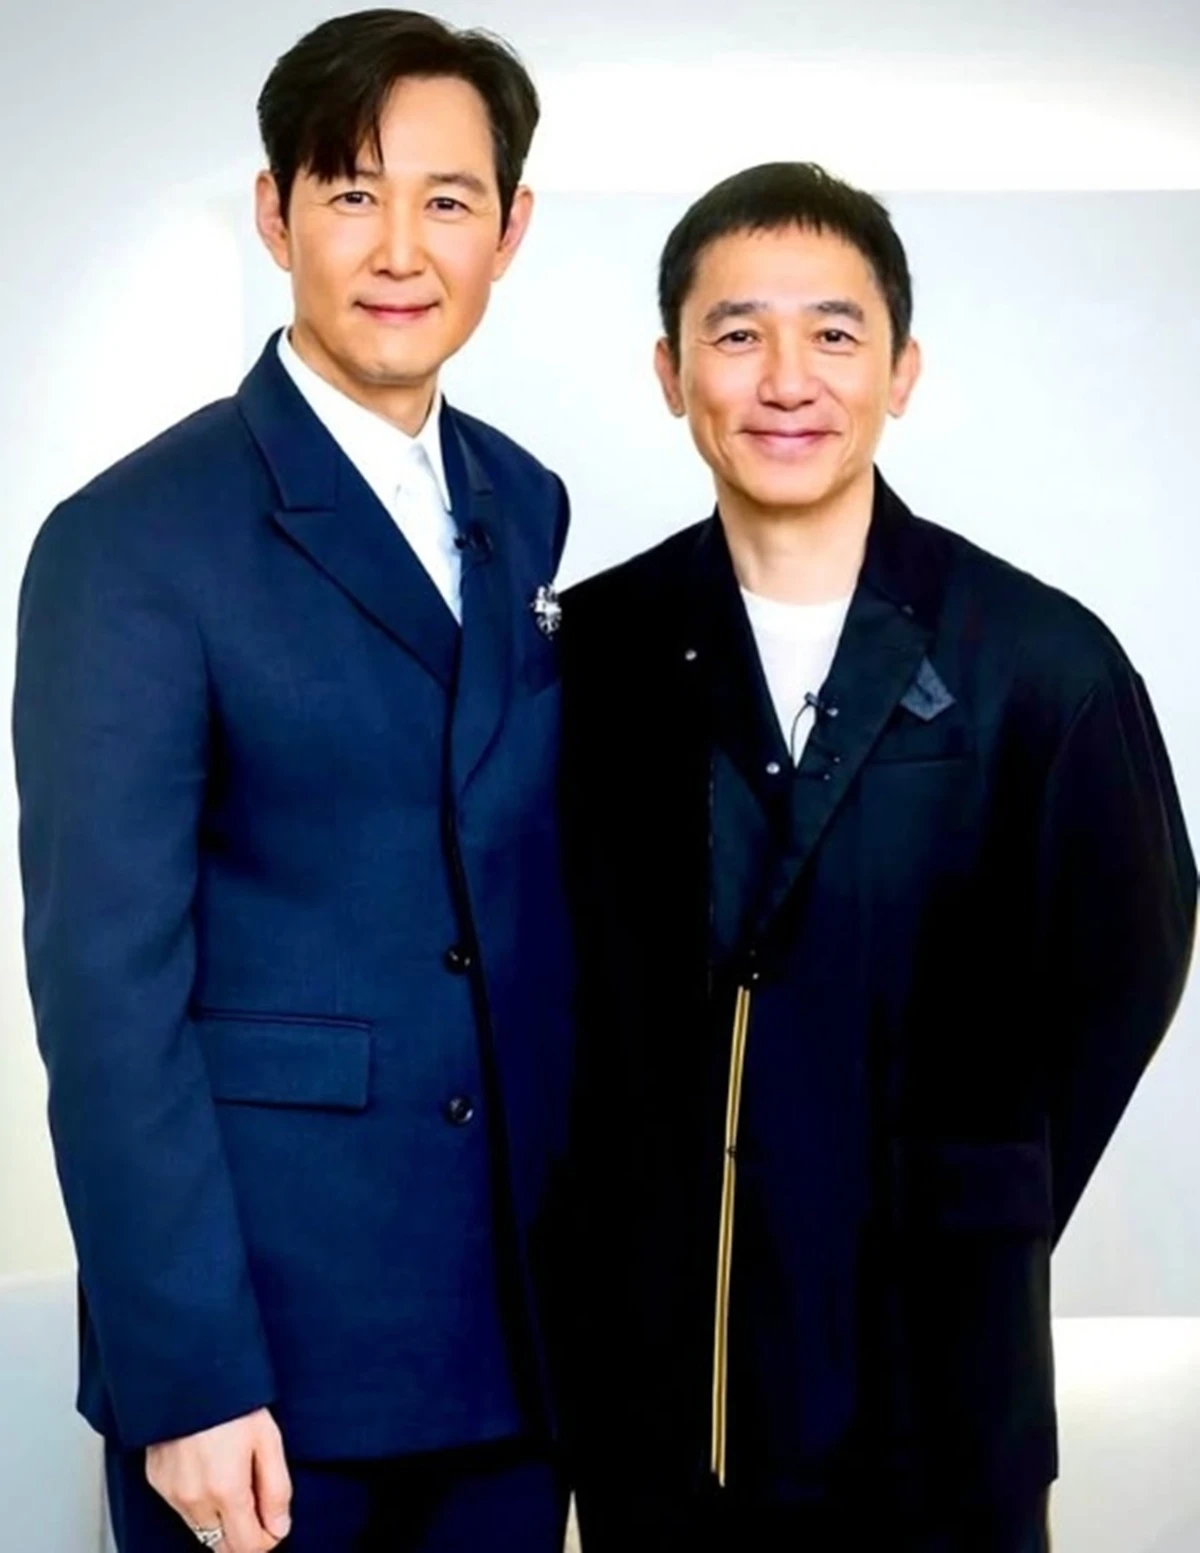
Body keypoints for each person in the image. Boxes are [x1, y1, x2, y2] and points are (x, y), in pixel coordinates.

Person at [559, 161, 1197, 1552]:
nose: (788, 379)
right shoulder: (590, 654)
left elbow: (1125, 971)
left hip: (939, 1380)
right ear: (670, 373)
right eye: (737, 333)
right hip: (666, 1387)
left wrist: (971, 1191)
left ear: (902, 371)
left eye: (835, 333)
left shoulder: (1042, 662)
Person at [13, 11, 575, 1552]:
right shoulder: (130, 540)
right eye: (350, 192)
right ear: (275, 214)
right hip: (262, 1367)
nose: (400, 248)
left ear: (510, 230)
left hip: (512, 1342)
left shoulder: (526, 503)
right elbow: (105, 995)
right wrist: (187, 1375)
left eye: (447, 200)